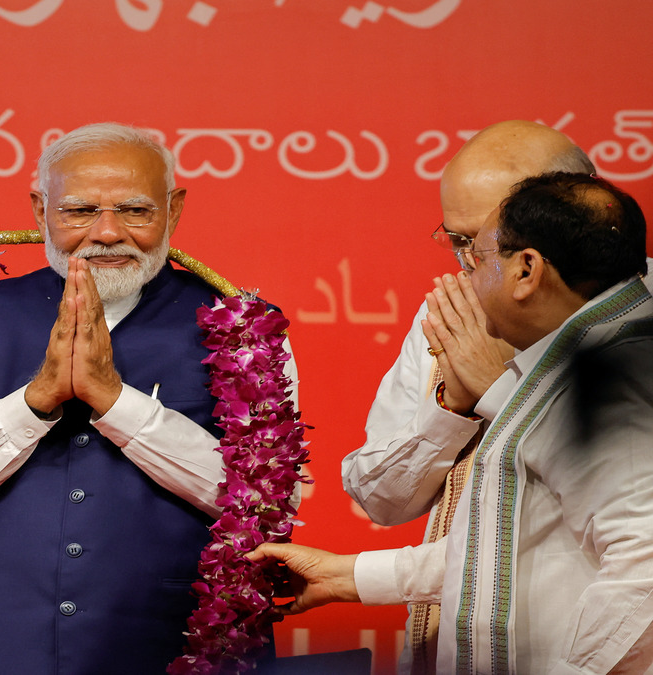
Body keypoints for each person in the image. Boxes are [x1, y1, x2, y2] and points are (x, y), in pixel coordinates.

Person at [0, 122, 297, 674]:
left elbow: (270, 503)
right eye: (79, 211)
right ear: (40, 211)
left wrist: (117, 402)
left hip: (168, 640)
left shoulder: (244, 328)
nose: (107, 233)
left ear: (173, 210)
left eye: (135, 210)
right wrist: (33, 402)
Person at [256, 172, 653, 674]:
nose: (466, 278)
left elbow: (644, 572)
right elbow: (513, 546)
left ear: (526, 270)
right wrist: (346, 577)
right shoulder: (574, 362)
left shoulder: (615, 377)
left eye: (478, 257)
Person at [341, 121, 596, 673]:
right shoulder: (451, 313)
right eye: (457, 241)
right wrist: (450, 409)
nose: (469, 264)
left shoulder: (637, 317)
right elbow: (379, 499)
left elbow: (618, 520)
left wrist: (499, 390)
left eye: (486, 242)